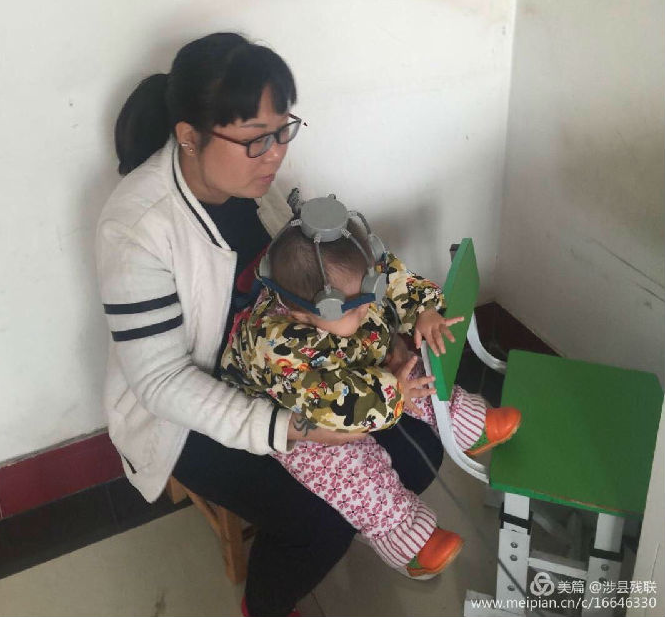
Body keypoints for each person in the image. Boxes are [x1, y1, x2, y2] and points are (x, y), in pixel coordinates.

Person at [96, 32, 447, 617]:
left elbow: (317, 288)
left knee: (421, 448)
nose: (276, 154)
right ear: (189, 136)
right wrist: (293, 429)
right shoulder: (137, 228)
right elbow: (160, 383)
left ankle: (377, 520)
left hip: (287, 367)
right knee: (319, 520)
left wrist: (382, 337)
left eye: (284, 131)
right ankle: (264, 605)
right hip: (189, 411)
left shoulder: (259, 189)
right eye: (256, 138)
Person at [220, 218, 522, 577]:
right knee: (347, 468)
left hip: (353, 361)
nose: (368, 308)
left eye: (369, 293)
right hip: (299, 410)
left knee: (414, 371)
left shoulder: (348, 281)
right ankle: (403, 534)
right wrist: (393, 392)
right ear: (302, 314)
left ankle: (467, 425)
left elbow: (391, 276)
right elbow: (335, 404)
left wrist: (423, 309)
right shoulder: (275, 347)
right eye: (355, 308)